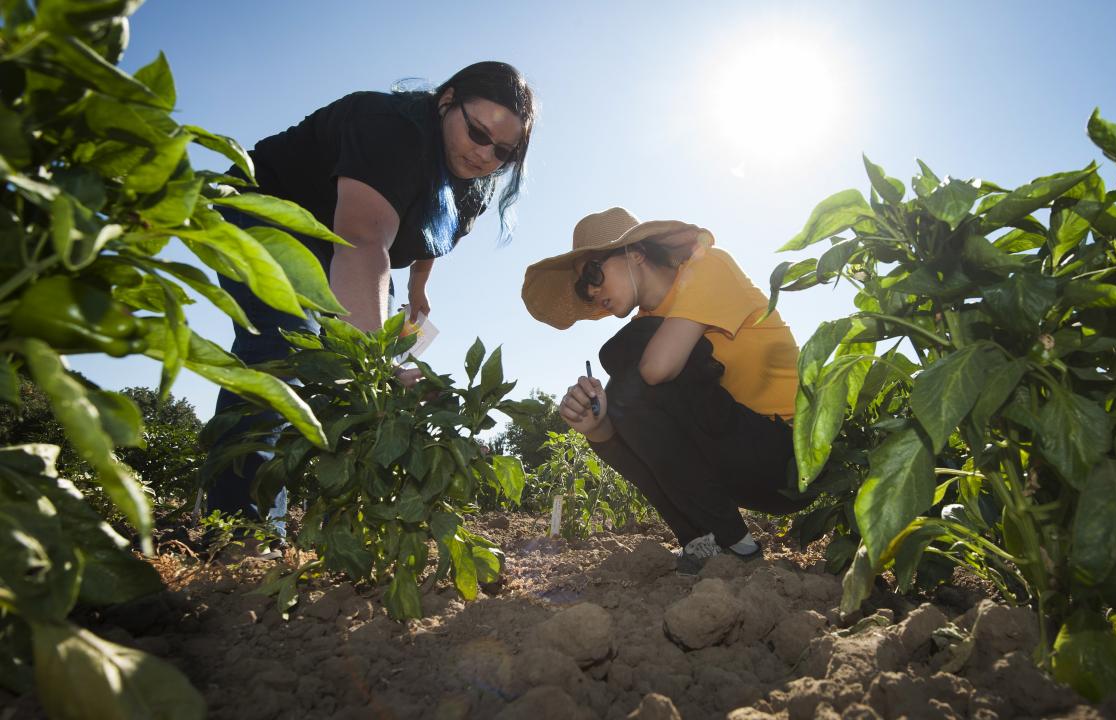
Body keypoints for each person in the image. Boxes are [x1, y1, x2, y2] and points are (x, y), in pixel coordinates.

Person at [205, 62, 537, 540]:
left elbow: (430, 236)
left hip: (337, 241)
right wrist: (376, 372)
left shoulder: (471, 183)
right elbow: (361, 239)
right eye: (478, 133)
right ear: (446, 101)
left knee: (374, 352)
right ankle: (237, 530)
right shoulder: (388, 128)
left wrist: (420, 287)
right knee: (282, 349)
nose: (486, 155)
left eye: (503, 151)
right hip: (267, 210)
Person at [521, 207, 812, 573]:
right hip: (743, 462)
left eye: (594, 273)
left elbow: (657, 370)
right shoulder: (648, 327)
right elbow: (634, 428)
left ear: (635, 253)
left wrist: (620, 386)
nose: (592, 292)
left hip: (793, 455)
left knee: (626, 358)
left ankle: (731, 543)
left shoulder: (707, 266)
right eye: (583, 288)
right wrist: (593, 424)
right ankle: (704, 541)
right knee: (622, 383)